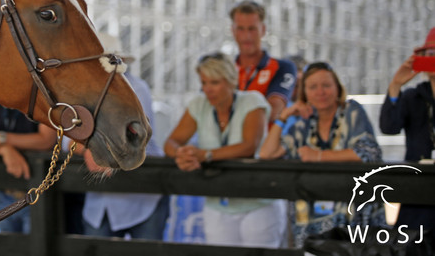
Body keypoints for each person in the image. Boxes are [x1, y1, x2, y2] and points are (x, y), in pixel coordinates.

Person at [163, 52, 286, 248]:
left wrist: (205, 155)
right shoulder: (198, 104)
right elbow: (171, 142)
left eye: (214, 82)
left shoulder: (252, 101)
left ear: (230, 81)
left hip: (258, 203)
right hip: (217, 202)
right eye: (203, 83)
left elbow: (249, 146)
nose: (207, 89)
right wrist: (182, 154)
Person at [259, 61, 384, 246]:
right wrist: (284, 117)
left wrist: (317, 156)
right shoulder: (302, 123)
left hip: (352, 214)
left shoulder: (352, 111)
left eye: (326, 85)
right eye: (313, 87)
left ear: (337, 87)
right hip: (312, 218)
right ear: (304, 93)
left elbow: (368, 152)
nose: (321, 92)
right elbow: (266, 154)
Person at [74, 33, 169, 240]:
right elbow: (67, 139)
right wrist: (89, 147)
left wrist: (90, 146)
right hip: (101, 201)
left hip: (141, 196)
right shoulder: (81, 91)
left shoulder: (136, 88)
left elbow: (131, 136)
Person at [0, 96, 56, 233]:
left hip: (39, 191)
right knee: (8, 247)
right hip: (4, 191)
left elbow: (47, 140)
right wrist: (4, 148)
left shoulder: (39, 91)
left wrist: (2, 138)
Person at [379, 27, 435, 240]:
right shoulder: (413, 96)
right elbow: (389, 127)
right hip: (417, 188)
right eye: (430, 55)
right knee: (411, 243)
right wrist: (396, 85)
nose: (433, 60)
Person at [229, 0, 297, 123]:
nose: (246, 36)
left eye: (252, 29)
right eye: (240, 29)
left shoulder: (283, 67)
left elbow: (273, 110)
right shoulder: (224, 70)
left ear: (263, 29)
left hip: (265, 141)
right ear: (232, 31)